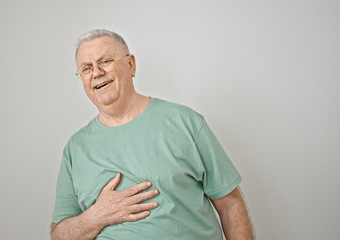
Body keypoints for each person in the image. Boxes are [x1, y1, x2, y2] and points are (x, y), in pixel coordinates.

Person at [50, 29, 254, 240]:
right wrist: (95, 217)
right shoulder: (75, 148)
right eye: (86, 68)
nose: (96, 72)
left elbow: (230, 203)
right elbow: (59, 234)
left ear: (130, 65)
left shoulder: (185, 122)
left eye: (105, 61)